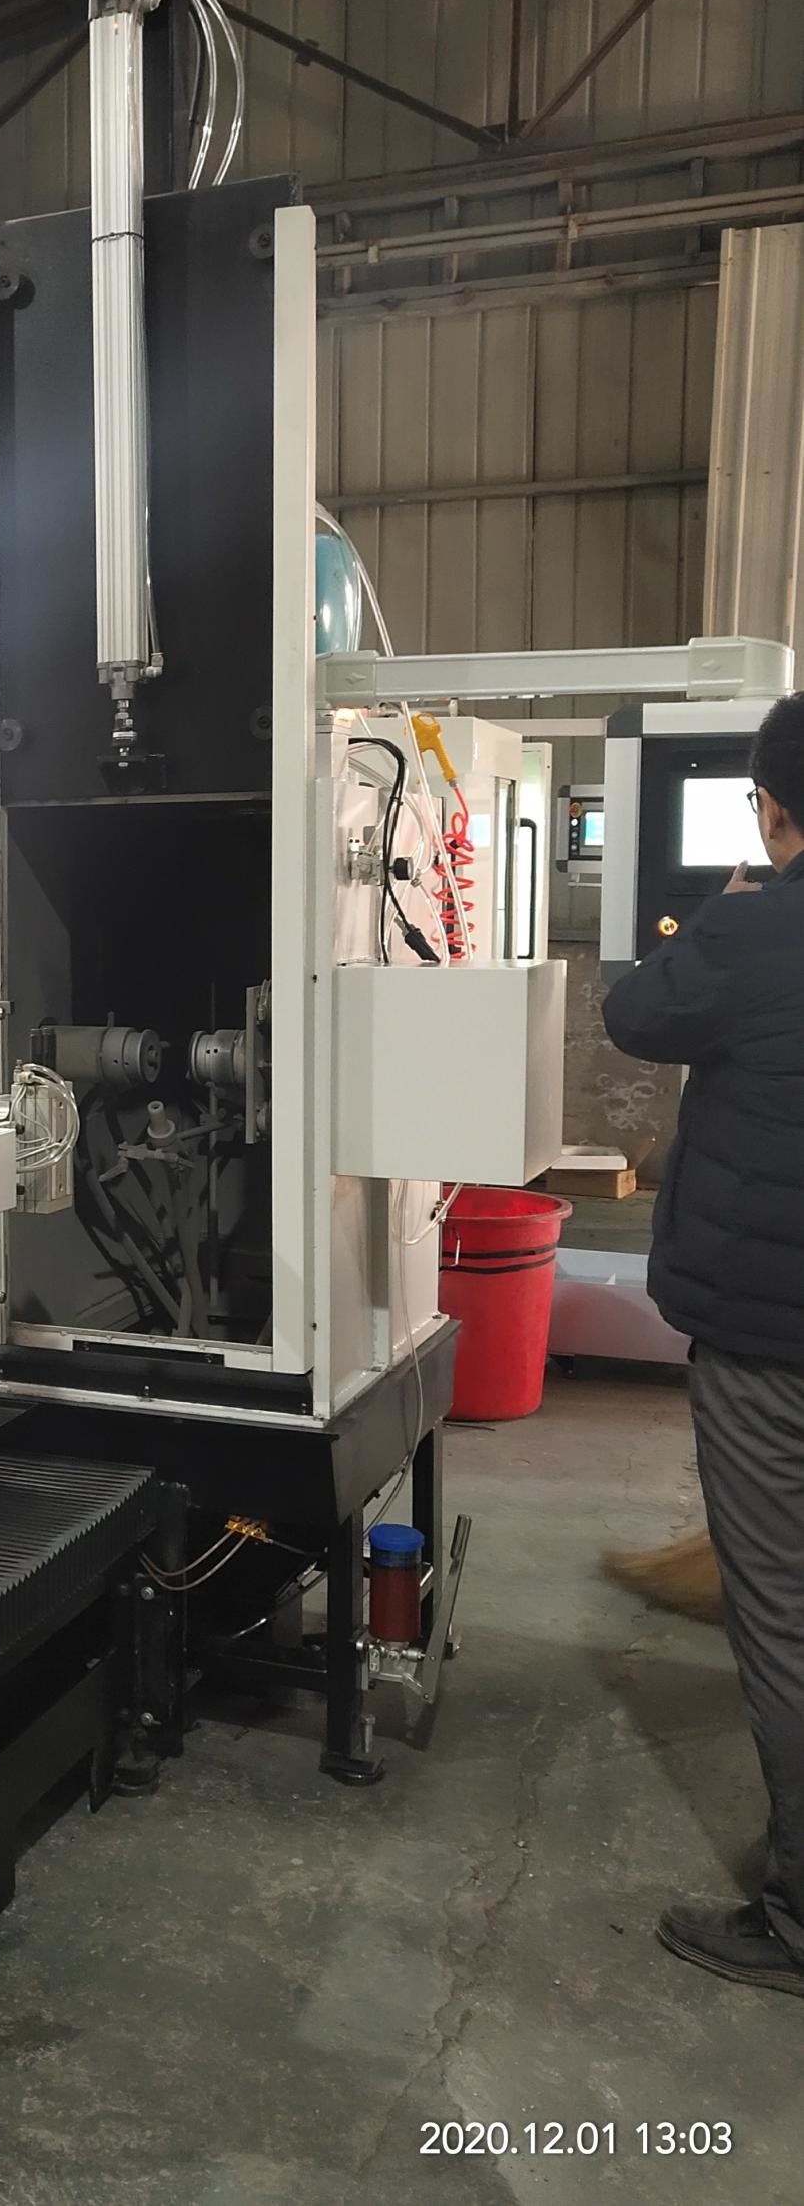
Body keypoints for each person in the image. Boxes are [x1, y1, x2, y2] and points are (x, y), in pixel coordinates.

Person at [602, 688, 804, 1998]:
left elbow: (635, 1014)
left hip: (769, 1336)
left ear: (770, 809)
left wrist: (725, 906)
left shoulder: (752, 925)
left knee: (780, 1611)